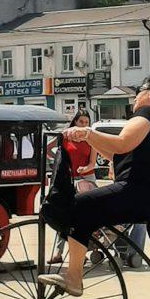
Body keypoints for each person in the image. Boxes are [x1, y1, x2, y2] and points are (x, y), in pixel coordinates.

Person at [39, 72, 150, 296]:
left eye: (139, 92)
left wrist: (87, 132)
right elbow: (117, 154)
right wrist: (89, 139)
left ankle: (74, 277)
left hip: (139, 192)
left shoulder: (148, 113)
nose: (135, 98)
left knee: (79, 207)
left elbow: (122, 144)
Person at [50, 109, 97, 264]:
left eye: (86, 122)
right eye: (81, 122)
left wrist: (85, 169)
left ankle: (83, 251)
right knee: (63, 212)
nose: (83, 125)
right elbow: (49, 149)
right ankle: (58, 252)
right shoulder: (66, 135)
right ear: (75, 122)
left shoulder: (92, 138)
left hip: (86, 178)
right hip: (69, 178)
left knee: (82, 213)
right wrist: (58, 163)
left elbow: (92, 163)